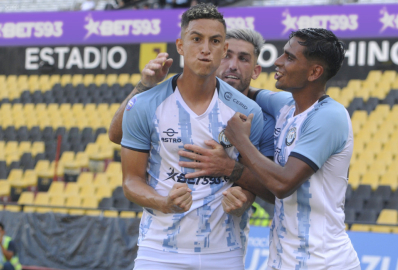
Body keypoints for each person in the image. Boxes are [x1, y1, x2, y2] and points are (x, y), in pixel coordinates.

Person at [179, 28, 360, 269]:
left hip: (323, 261)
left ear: (315, 72)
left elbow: (283, 185)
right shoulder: (285, 105)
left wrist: (237, 149)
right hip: (282, 259)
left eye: (290, 57)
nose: (278, 61)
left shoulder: (329, 116)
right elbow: (243, 91)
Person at [118, 4, 265, 269]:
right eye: (196, 39)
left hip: (224, 253)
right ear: (180, 45)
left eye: (215, 41)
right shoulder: (144, 105)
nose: (206, 48)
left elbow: (256, 180)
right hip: (159, 251)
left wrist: (245, 195)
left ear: (223, 49)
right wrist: (164, 202)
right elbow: (131, 181)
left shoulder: (247, 111)